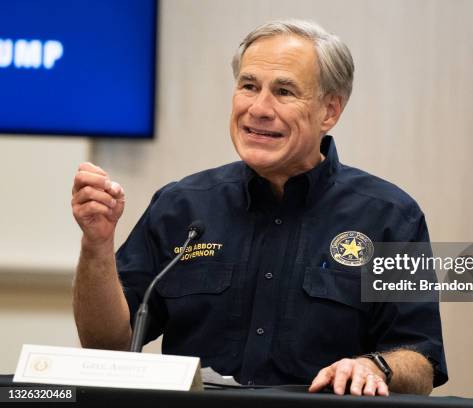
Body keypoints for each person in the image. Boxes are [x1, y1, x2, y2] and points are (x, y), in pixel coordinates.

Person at [71, 19, 447, 396]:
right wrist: (97, 246)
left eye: (284, 91)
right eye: (248, 86)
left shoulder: (390, 216)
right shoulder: (180, 205)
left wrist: (374, 366)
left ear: (329, 111)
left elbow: (421, 363)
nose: (259, 108)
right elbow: (107, 344)